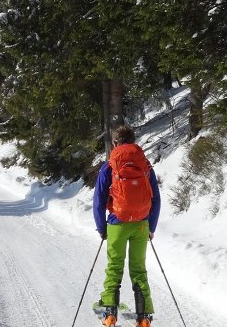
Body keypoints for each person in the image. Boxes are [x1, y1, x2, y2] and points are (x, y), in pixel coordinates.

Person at [92, 125, 161, 327]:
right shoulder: (145, 166)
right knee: (139, 269)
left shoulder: (109, 167)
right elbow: (155, 199)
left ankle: (110, 313)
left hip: (117, 223)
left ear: (115, 143)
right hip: (141, 224)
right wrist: (151, 227)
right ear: (133, 141)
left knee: (114, 267)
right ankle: (144, 317)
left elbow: (98, 200)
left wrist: (102, 228)